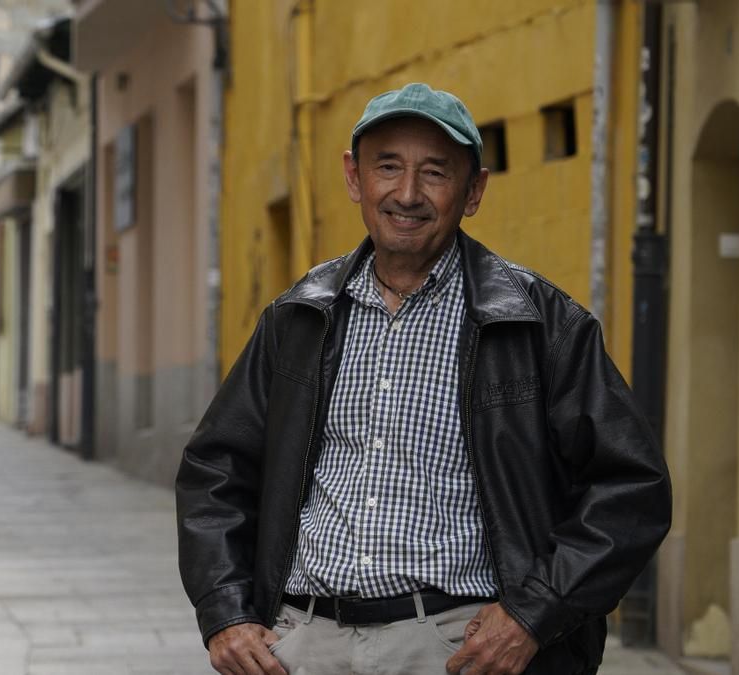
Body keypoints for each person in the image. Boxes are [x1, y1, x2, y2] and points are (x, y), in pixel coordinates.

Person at [175, 83, 671, 675]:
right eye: (388, 167)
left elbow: (631, 488)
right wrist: (226, 614)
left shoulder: (541, 325)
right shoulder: (300, 318)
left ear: (474, 190)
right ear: (355, 178)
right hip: (305, 646)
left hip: (456, 648)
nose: (407, 194)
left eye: (435, 172)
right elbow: (215, 470)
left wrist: (533, 614)